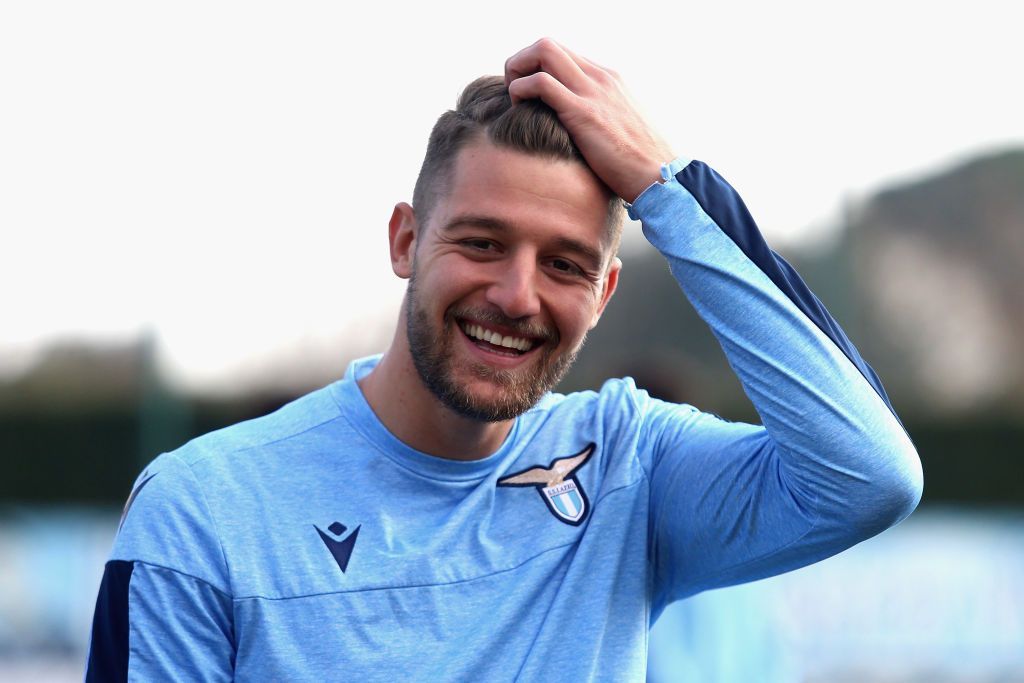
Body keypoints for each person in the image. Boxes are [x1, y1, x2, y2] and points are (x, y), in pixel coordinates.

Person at [85, 39, 923, 681]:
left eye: (564, 264)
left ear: (603, 293)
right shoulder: (203, 509)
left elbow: (870, 474)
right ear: (406, 241)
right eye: (482, 243)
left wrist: (667, 187)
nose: (518, 295)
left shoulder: (629, 467)